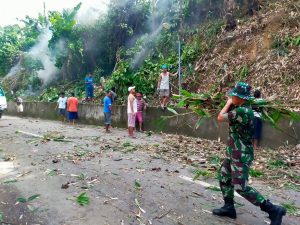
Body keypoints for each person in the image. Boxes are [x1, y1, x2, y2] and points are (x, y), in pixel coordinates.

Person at [213, 82, 286, 225]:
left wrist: (228, 104)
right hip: (233, 152)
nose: (231, 96)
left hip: (241, 154)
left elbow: (220, 117)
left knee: (241, 187)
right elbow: (231, 124)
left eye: (234, 95)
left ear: (241, 98)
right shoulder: (242, 109)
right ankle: (229, 207)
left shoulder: (243, 111)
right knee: (223, 176)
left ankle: (272, 209)